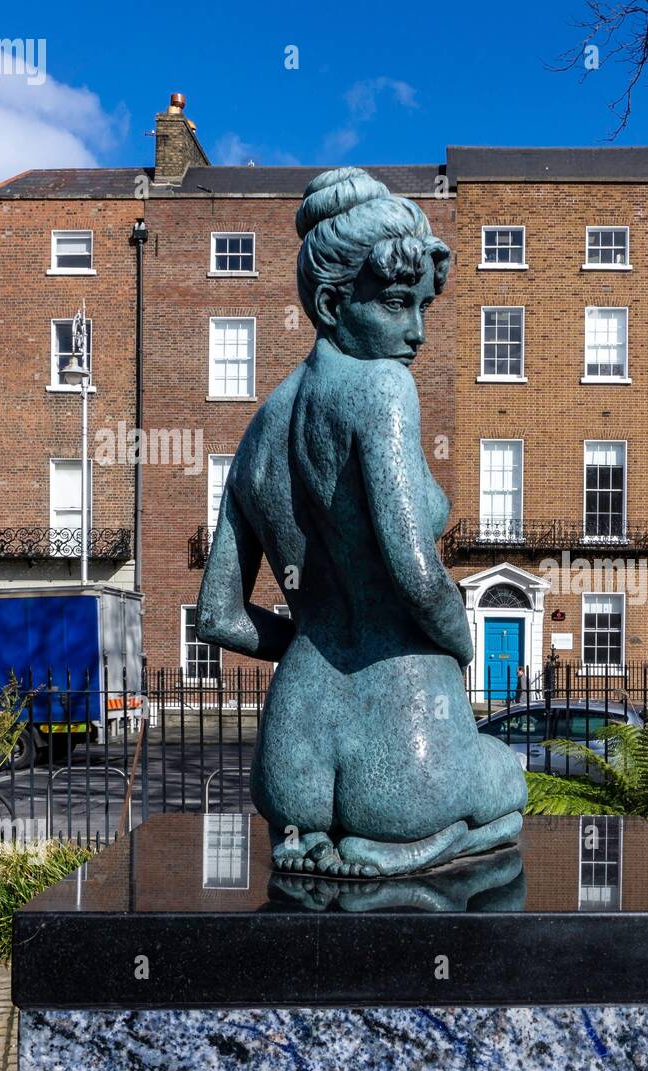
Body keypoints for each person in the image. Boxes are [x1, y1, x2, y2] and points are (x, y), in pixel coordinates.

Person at [196, 168, 526, 877]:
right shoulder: (381, 387)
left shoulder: (257, 433)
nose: (417, 333)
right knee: (511, 782)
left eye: (424, 307)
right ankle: (419, 848)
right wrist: (459, 644)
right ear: (331, 302)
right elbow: (414, 569)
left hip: (292, 767)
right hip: (407, 743)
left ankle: (330, 841)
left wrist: (312, 642)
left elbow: (217, 617)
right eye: (399, 304)